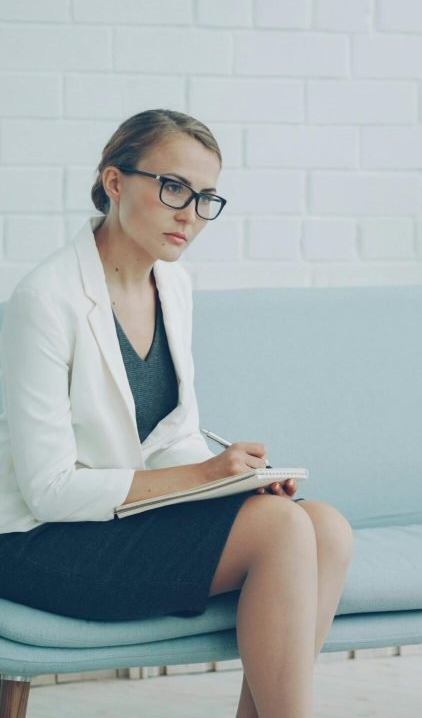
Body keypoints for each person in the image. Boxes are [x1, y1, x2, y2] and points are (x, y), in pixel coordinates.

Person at [0, 110, 352, 718]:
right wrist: (207, 478)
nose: (189, 212)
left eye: (205, 197)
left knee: (325, 529)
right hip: (40, 540)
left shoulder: (174, 285)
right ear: (115, 182)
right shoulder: (44, 302)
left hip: (121, 519)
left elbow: (170, 437)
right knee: (281, 529)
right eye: (173, 188)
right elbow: (50, 491)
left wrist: (240, 477)